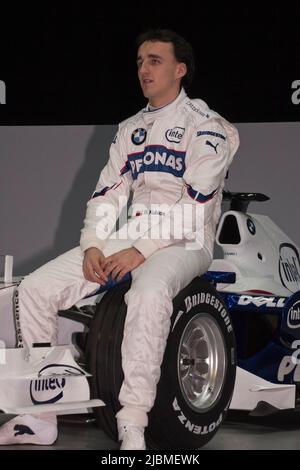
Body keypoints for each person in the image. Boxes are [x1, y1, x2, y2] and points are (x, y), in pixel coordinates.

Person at [0, 29, 239, 450]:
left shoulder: (209, 126)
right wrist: (94, 243)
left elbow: (197, 203)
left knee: (147, 294)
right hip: (132, 234)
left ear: (180, 70)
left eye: (155, 61)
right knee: (35, 289)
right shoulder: (131, 129)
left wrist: (140, 251)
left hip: (186, 239)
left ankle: (132, 423)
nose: (143, 69)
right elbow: (107, 193)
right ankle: (39, 416)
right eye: (140, 62)